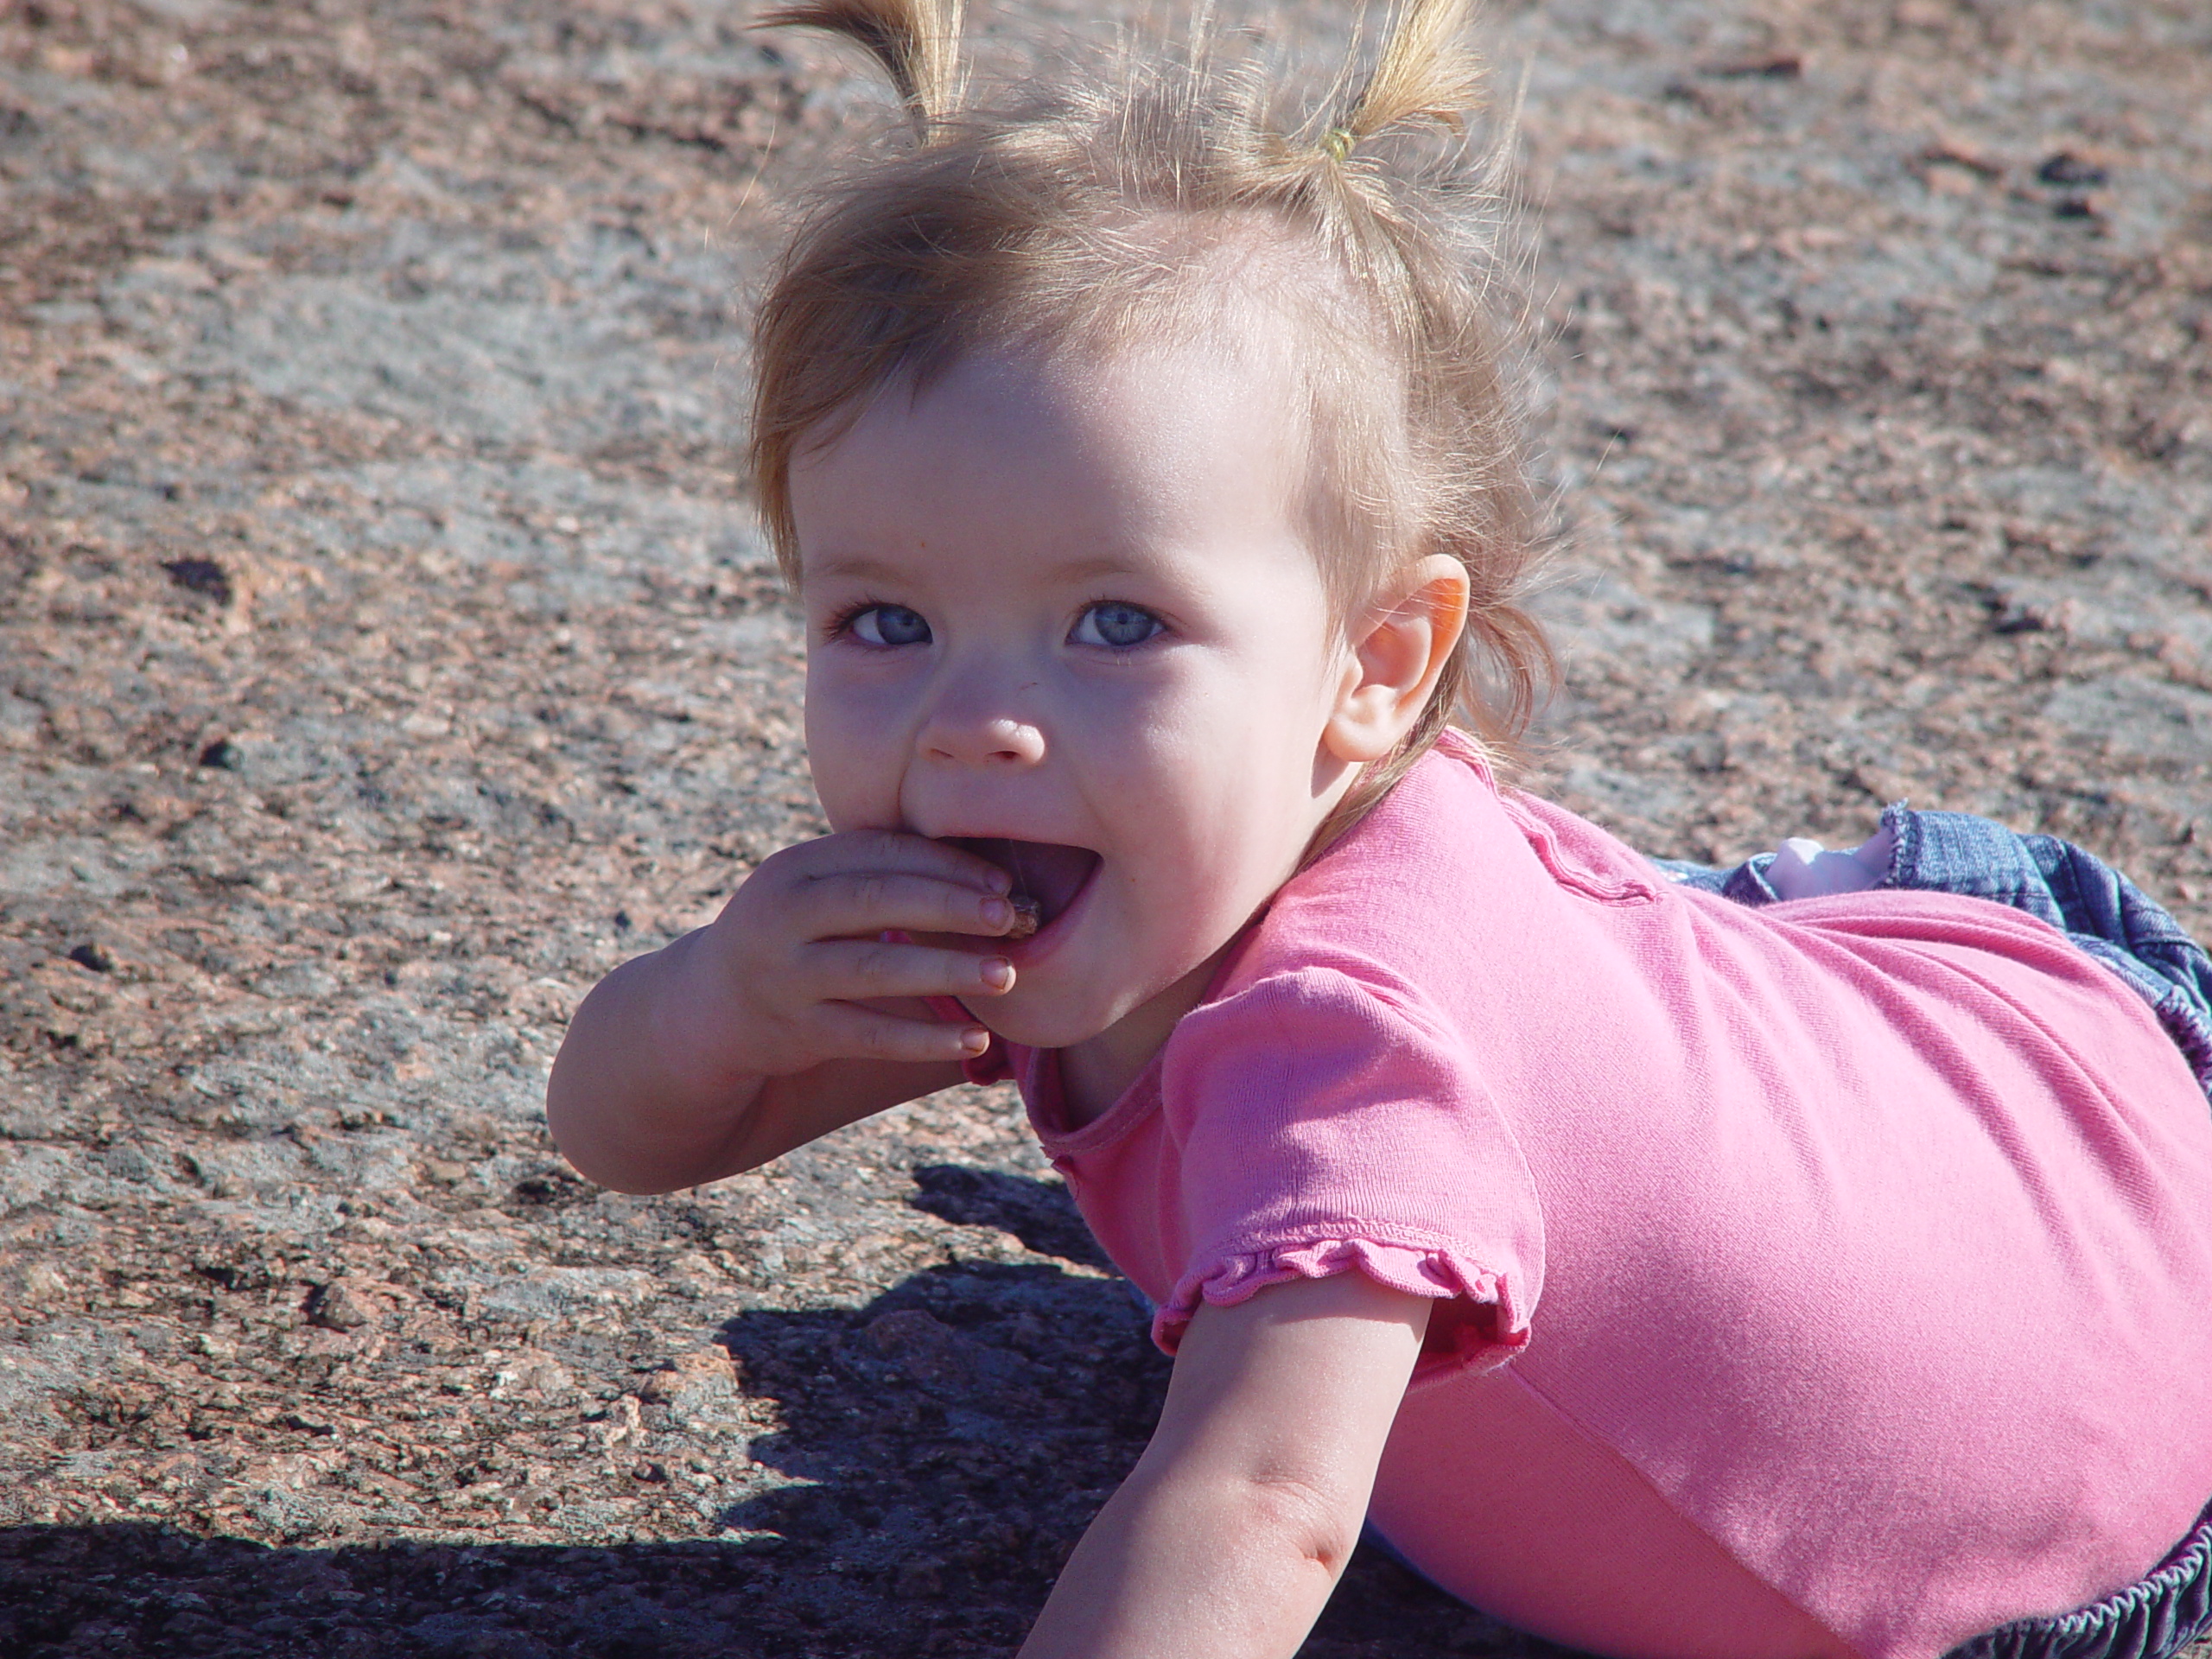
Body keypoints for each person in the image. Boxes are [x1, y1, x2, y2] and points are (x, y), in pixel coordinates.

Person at [544, 3, 2212, 1656]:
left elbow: (1260, 1510)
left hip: (2087, 1419)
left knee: (1503, 1057)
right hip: (2026, 1144)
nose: (979, 722)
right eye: (885, 624)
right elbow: (630, 1137)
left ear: (1375, 665)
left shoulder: (1347, 1052)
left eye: (1116, 624)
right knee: (1598, 1017)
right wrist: (726, 1003)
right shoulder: (1122, 885)